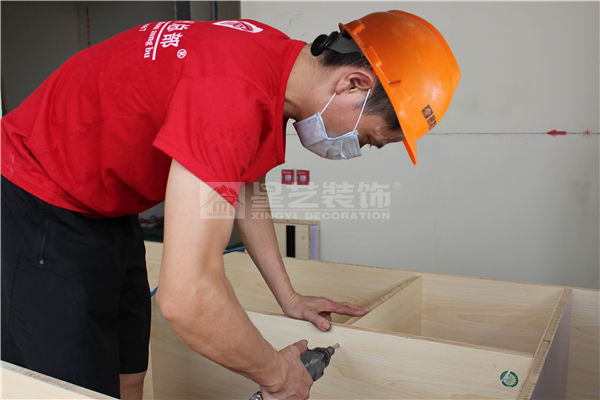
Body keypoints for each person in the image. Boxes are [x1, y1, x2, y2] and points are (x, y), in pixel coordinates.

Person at [1, 10, 459, 400]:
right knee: (72, 388)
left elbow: (245, 185)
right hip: (37, 196)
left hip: (106, 206)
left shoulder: (274, 61)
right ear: (353, 83)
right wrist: (278, 375)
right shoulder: (230, 97)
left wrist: (288, 297)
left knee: (128, 372)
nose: (353, 149)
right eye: (367, 139)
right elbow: (187, 298)